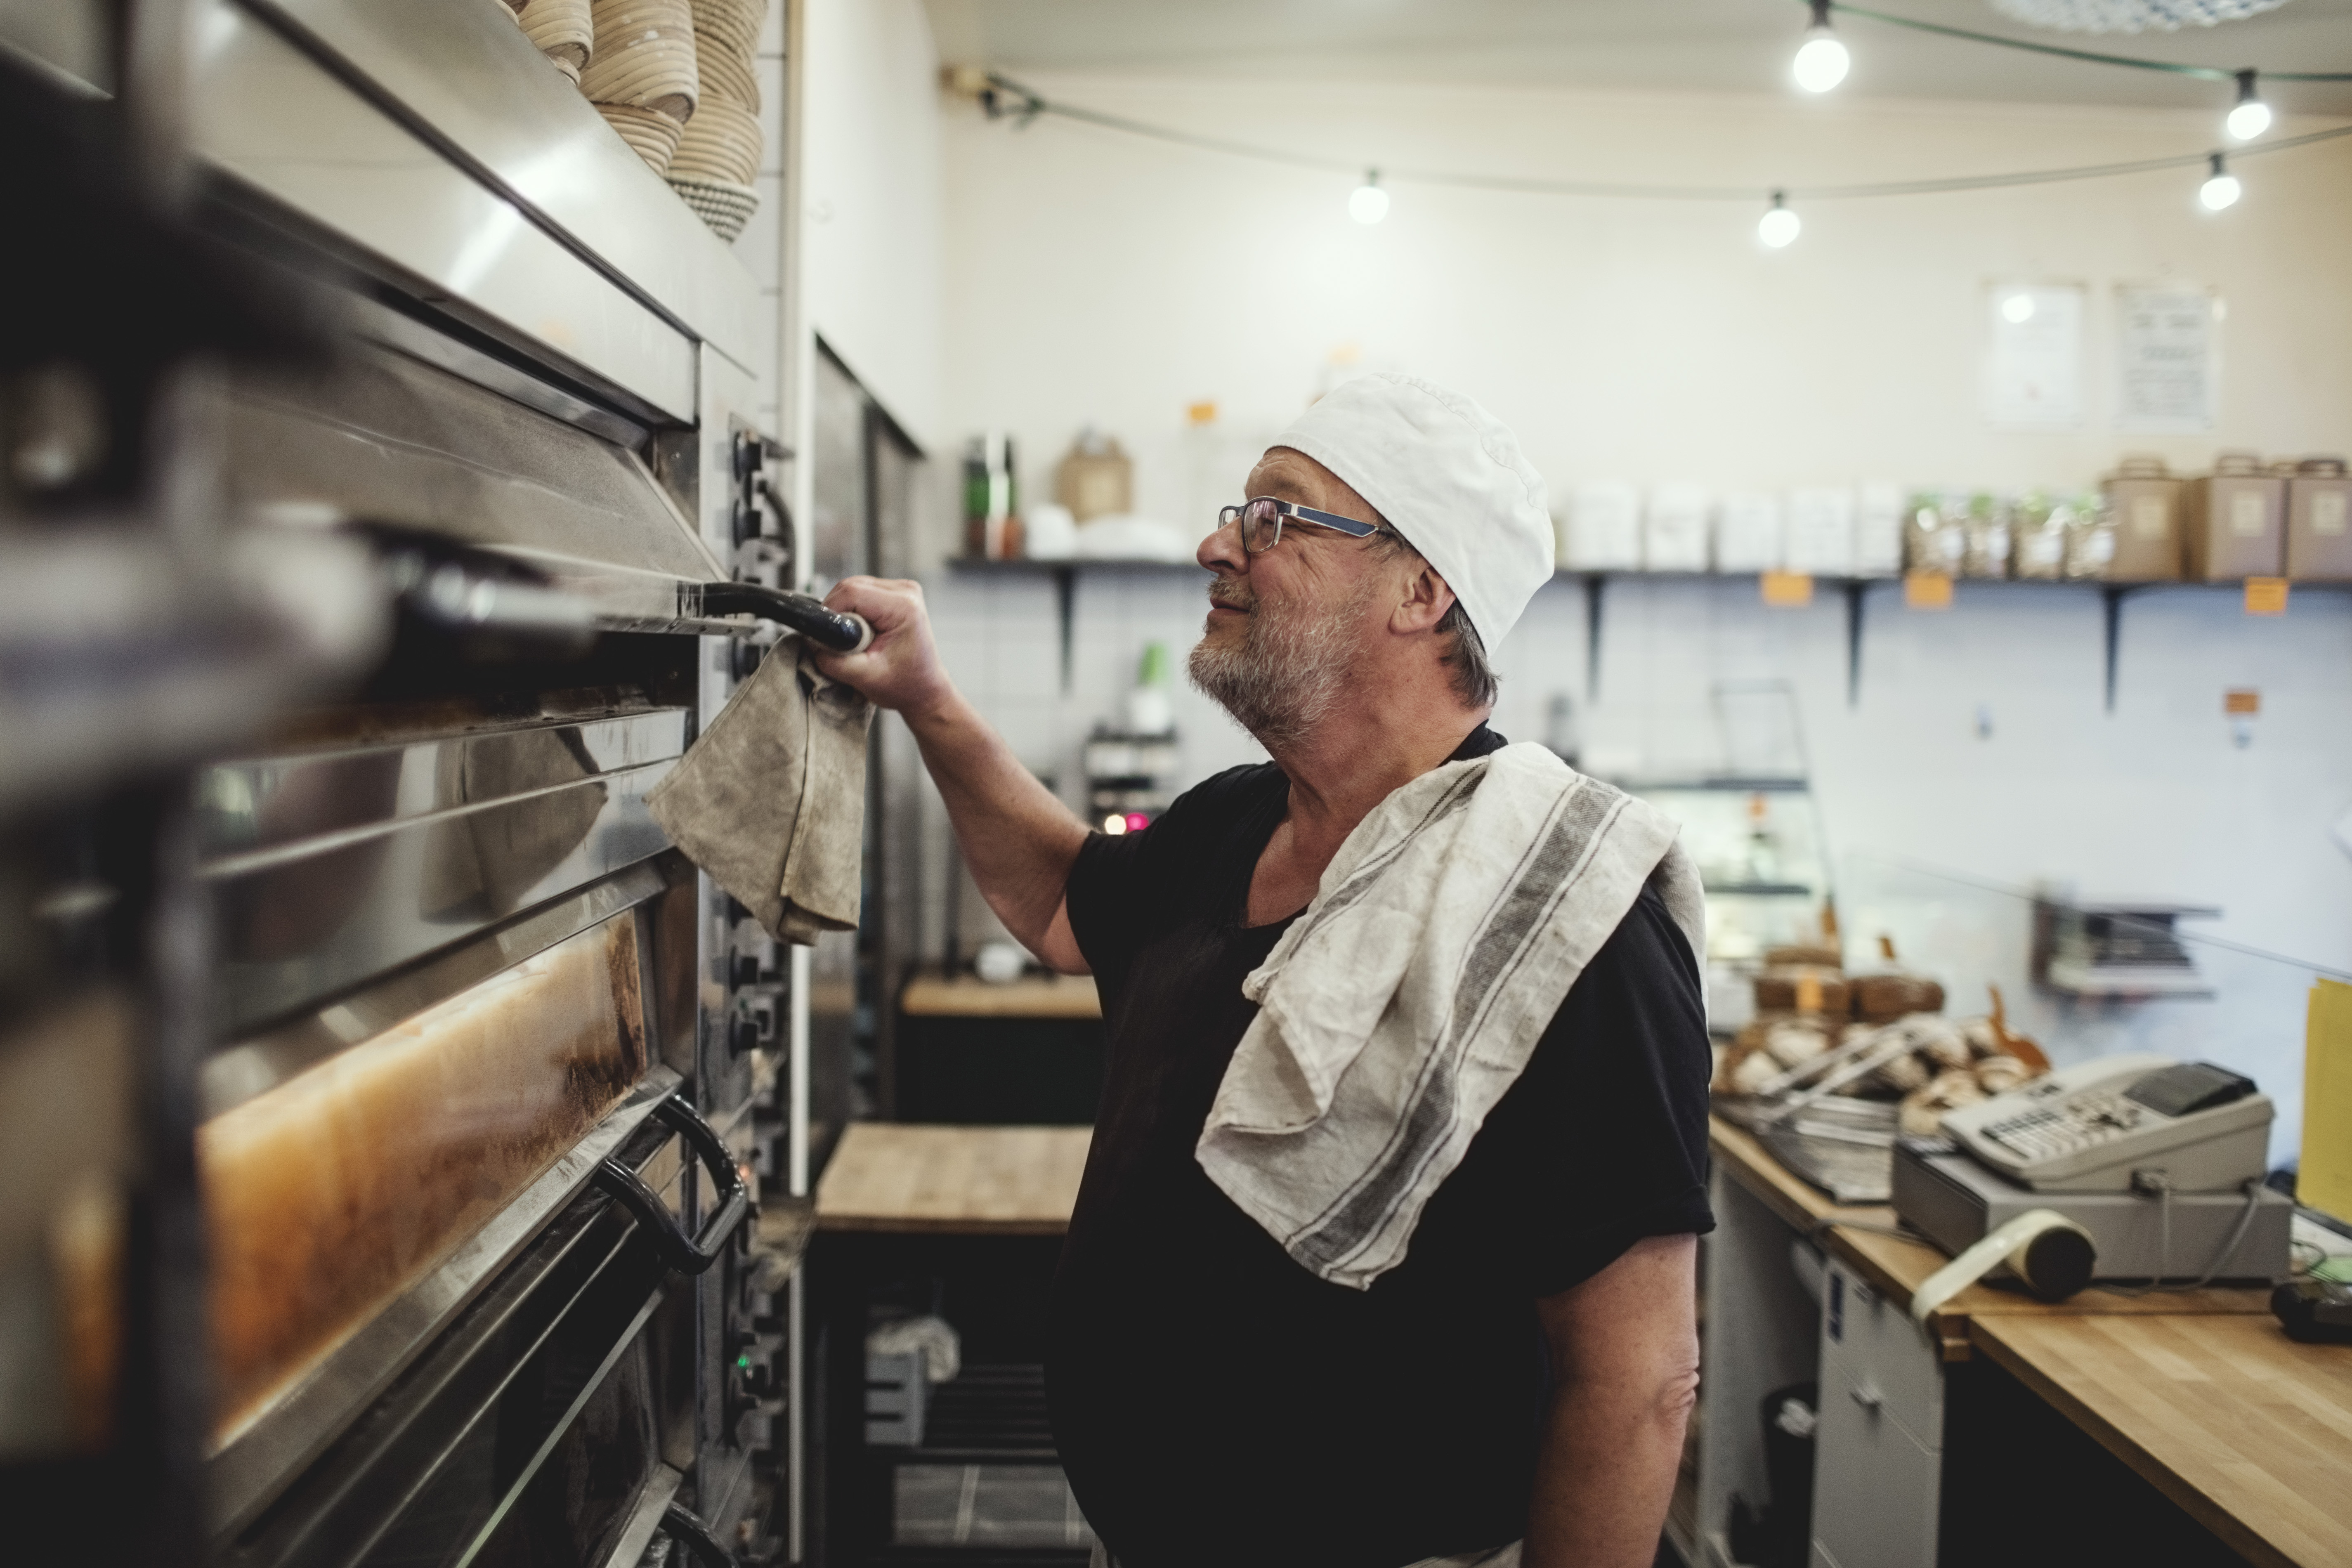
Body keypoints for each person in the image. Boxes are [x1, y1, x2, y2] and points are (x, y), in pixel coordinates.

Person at [816, 373, 1712, 1568]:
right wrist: (926, 700)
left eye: (1275, 519)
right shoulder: (1233, 824)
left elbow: (1639, 1379)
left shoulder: (1554, 922)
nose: (1216, 546)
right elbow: (1056, 899)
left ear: (1421, 589)